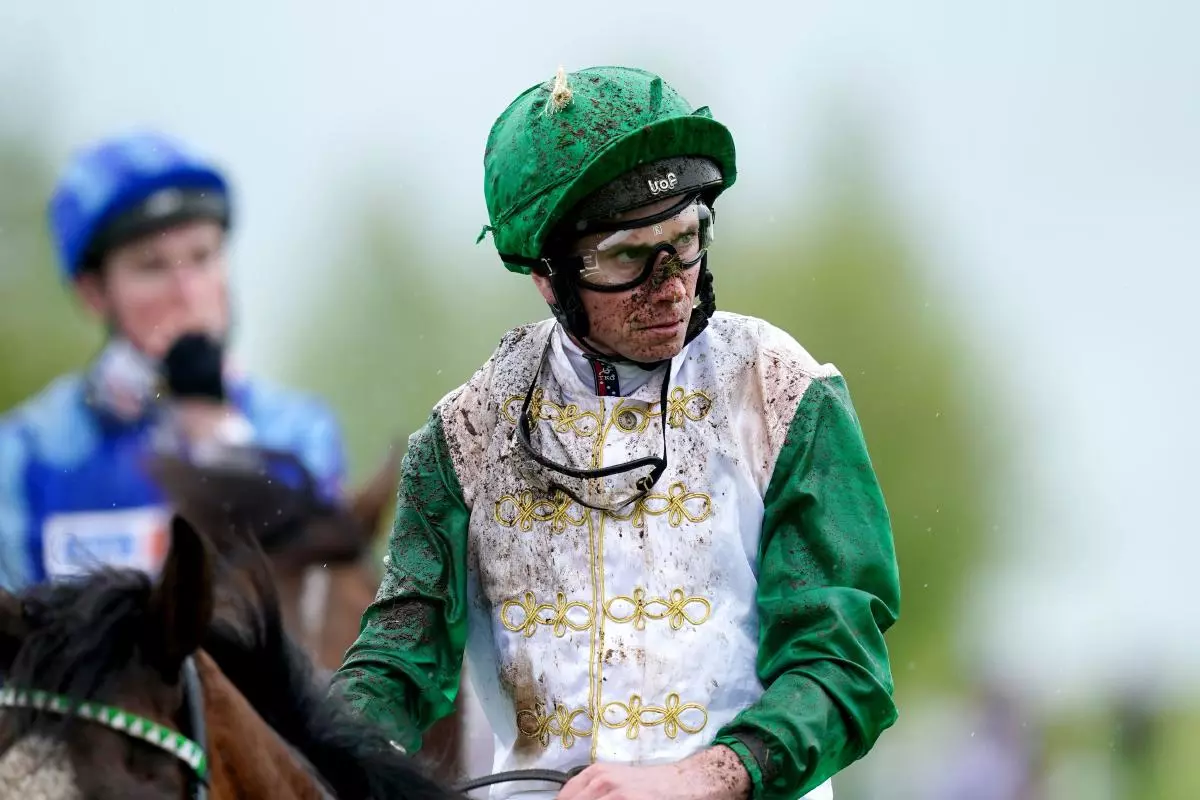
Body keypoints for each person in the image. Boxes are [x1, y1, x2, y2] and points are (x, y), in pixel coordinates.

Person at [330, 66, 901, 800]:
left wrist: (701, 778)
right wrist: (322, 750)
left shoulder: (784, 389)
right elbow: (395, 665)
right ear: (546, 276)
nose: (672, 284)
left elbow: (843, 667)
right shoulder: (462, 436)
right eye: (630, 258)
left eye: (688, 240)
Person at [0, 130, 347, 590]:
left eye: (203, 258)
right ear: (93, 293)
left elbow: (314, 622)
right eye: (152, 267)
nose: (187, 293)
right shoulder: (27, 455)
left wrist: (219, 437)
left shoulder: (298, 434)